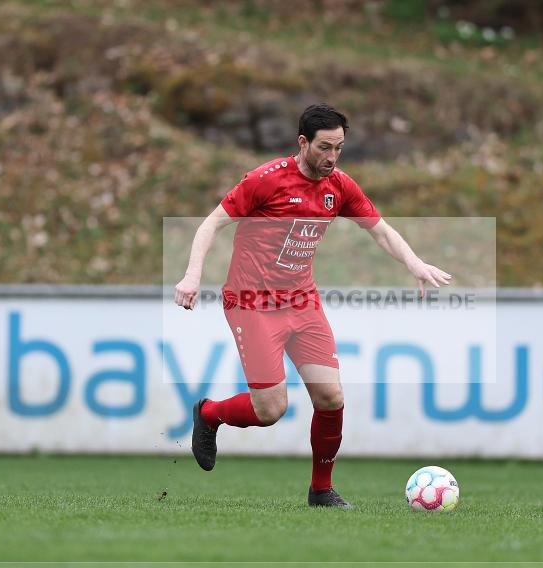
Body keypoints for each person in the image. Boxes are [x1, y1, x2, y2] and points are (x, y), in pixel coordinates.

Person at [174, 103, 450, 508]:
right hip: (251, 303)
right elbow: (210, 223)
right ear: (303, 143)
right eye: (324, 147)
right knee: (270, 409)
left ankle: (321, 490)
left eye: (338, 148)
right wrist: (192, 275)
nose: (332, 157)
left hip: (302, 302)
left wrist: (415, 263)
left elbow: (381, 231)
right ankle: (209, 413)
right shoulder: (265, 181)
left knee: (331, 397)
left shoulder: (339, 185)